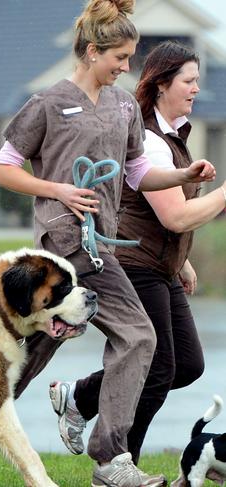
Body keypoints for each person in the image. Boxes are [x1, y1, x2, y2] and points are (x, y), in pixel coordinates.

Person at [0, 1, 216, 486]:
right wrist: (54, 188)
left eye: (129, 57)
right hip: (58, 255)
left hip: (98, 252)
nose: (126, 67)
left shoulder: (123, 106)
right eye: (119, 57)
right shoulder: (47, 104)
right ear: (93, 50)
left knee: (118, 341)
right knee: (45, 358)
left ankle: (103, 459)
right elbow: (3, 168)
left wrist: (182, 174)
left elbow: (139, 173)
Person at [48, 40, 226, 466]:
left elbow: (155, 213)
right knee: (159, 368)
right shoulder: (148, 138)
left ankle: (81, 395)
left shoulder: (172, 136)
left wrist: (177, 259)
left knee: (187, 365)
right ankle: (120, 462)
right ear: (162, 85)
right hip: (132, 266)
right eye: (189, 81)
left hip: (159, 267)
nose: (197, 89)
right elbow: (175, 218)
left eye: (197, 81)